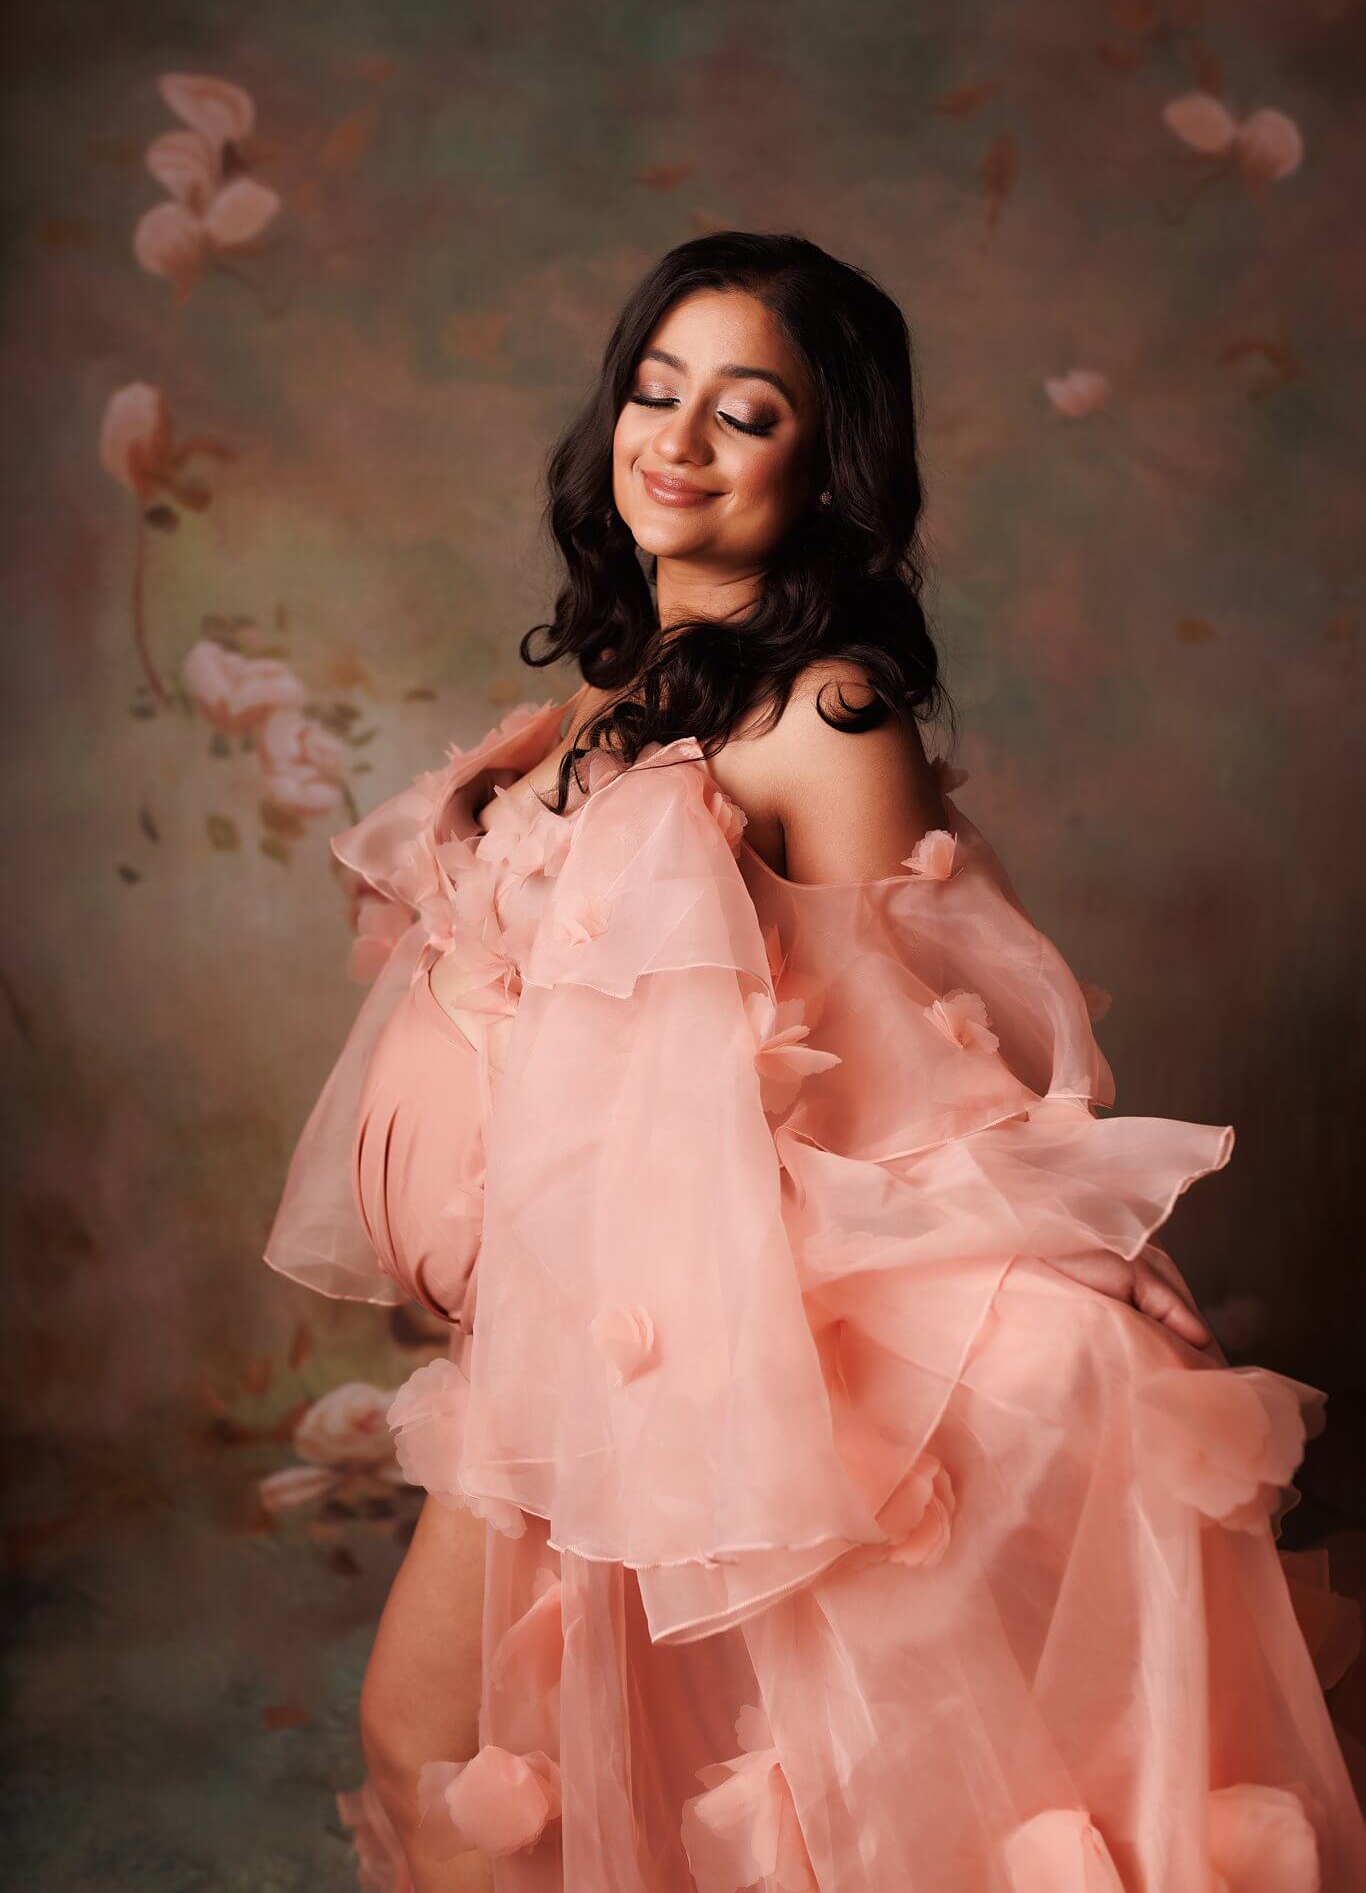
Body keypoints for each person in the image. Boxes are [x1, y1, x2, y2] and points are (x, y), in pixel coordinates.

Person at [265, 232, 1366, 1891]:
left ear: (829, 467)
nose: (677, 439)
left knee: (558, 1766)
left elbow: (915, 1044)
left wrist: (1081, 1252)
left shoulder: (828, 709)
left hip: (687, 1348)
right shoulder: (615, 684)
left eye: (745, 412)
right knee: (509, 1770)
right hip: (558, 1336)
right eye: (655, 390)